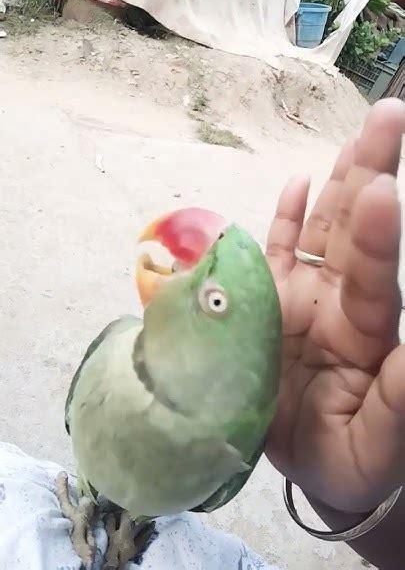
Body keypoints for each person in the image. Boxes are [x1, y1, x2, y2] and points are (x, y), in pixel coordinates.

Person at [0, 98, 404, 570]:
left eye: (213, 301)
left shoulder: (237, 450)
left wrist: (347, 498)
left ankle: (132, 522)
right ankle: (90, 499)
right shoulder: (113, 345)